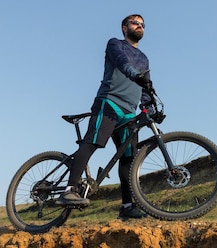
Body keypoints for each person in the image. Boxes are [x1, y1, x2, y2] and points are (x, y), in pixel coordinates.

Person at [55, 14, 154, 221]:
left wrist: (150, 105)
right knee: (93, 142)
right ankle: (69, 189)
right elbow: (122, 63)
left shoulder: (144, 58)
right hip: (109, 102)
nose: (140, 26)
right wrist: (133, 74)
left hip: (129, 111)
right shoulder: (115, 44)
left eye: (143, 24)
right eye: (135, 23)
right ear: (124, 28)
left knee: (128, 157)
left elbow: (145, 86)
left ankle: (127, 207)